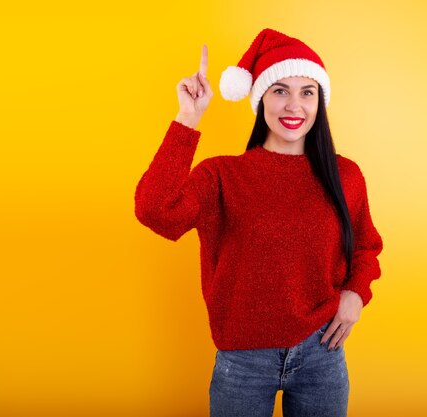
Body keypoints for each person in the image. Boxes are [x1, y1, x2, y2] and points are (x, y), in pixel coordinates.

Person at [135, 28, 383, 417]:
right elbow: (155, 211)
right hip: (243, 363)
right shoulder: (222, 176)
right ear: (260, 98)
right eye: (280, 90)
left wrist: (356, 293)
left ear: (320, 101)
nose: (294, 106)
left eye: (307, 92)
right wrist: (188, 118)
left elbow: (366, 246)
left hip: (323, 352)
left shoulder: (345, 175)